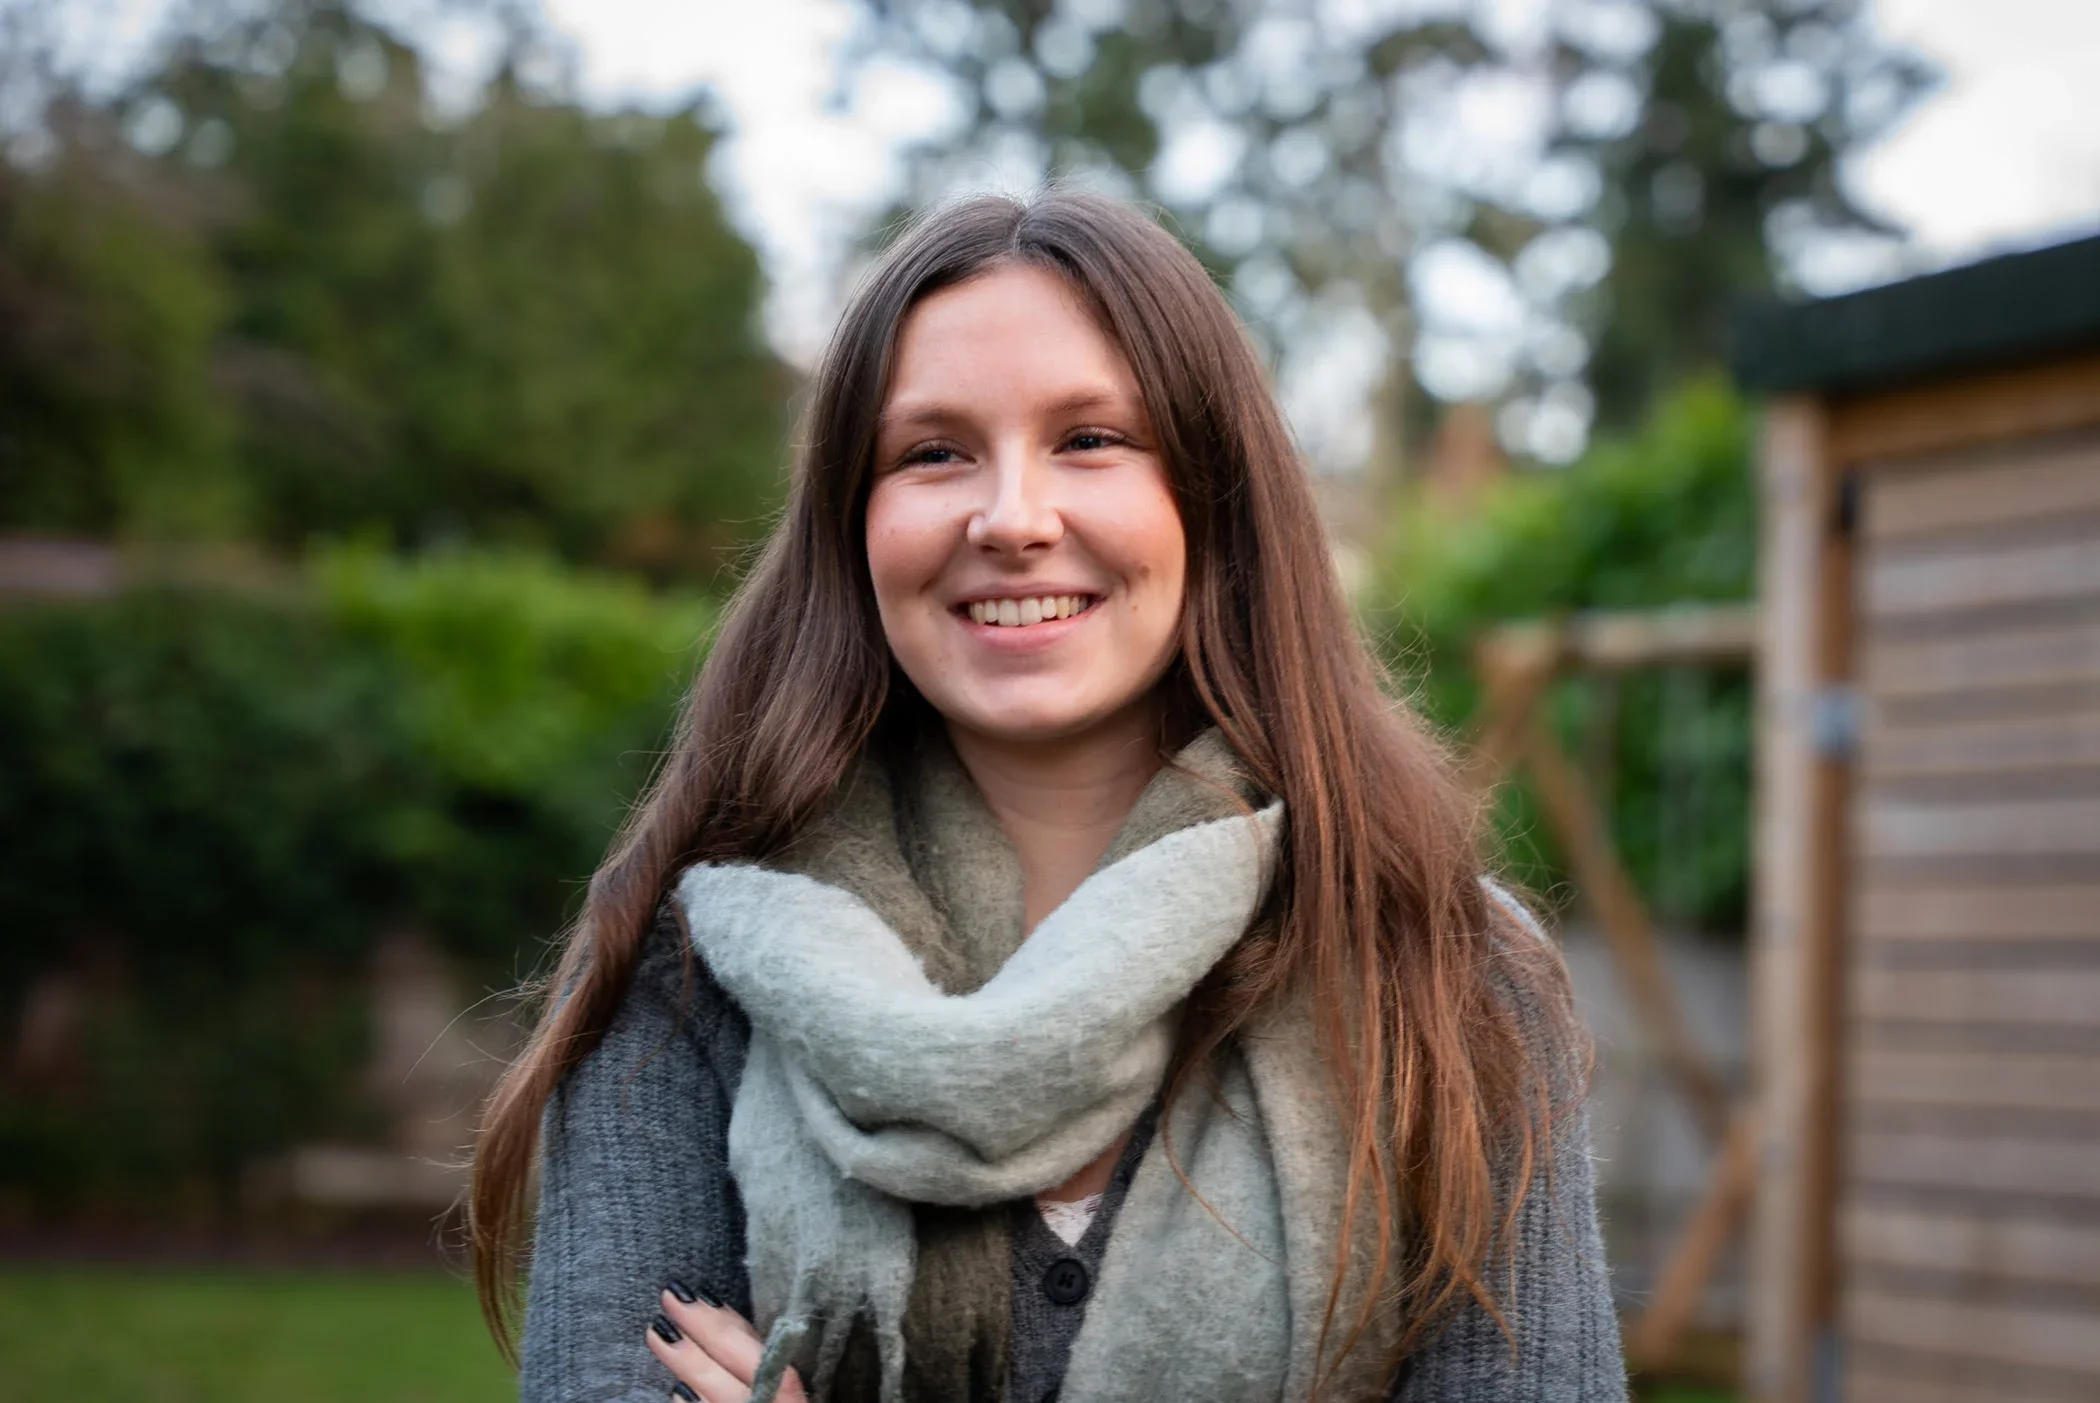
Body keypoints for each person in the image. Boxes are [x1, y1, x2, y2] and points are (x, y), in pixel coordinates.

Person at [469, 189, 1626, 1403]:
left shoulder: (1449, 976)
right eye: (932, 452)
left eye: (1090, 438)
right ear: (851, 523)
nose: (1012, 517)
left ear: (1212, 499)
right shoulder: (689, 976)